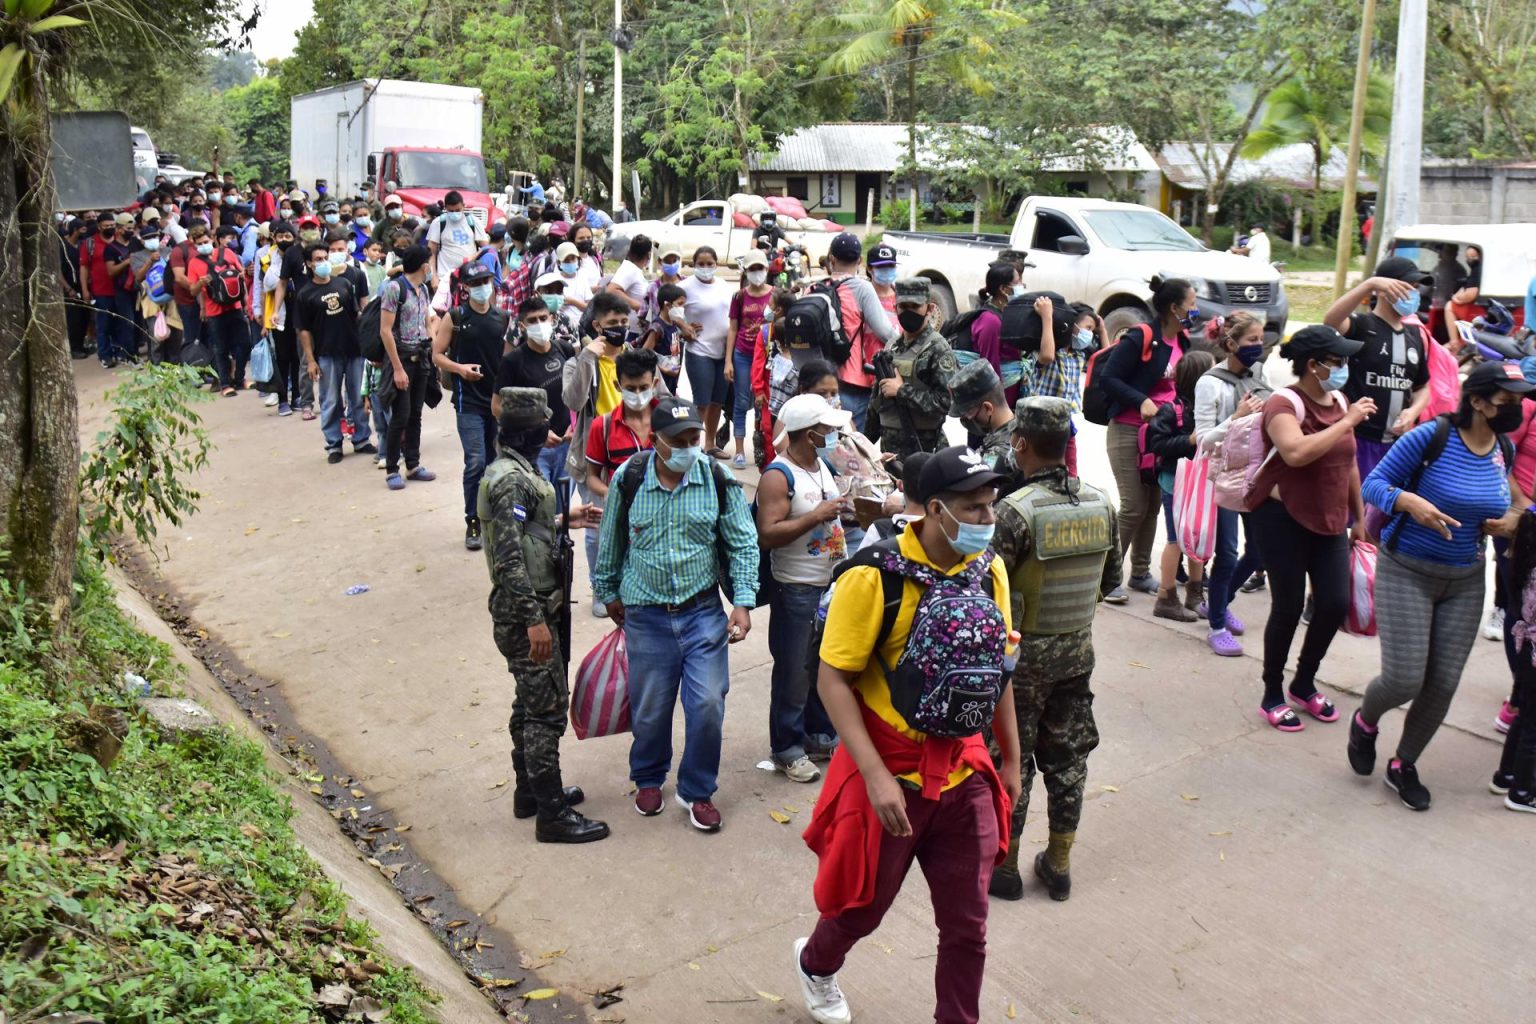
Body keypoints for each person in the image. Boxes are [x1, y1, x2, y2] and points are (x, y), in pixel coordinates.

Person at [797, 445, 1019, 1024]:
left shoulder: (986, 569)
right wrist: (874, 777)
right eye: (974, 509)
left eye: (991, 507)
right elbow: (832, 679)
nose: (986, 521)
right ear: (937, 510)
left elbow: (999, 669)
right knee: (860, 909)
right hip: (892, 772)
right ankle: (816, 965)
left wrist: (1012, 759)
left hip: (965, 774)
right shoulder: (874, 578)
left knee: (968, 926)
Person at [1349, 360, 1528, 809]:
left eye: (1521, 399)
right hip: (1406, 569)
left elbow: (1510, 504)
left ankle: (1403, 764)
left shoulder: (1502, 449)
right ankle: (1366, 720)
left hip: (1465, 578)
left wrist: (1508, 522)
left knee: (1443, 682)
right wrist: (1409, 502)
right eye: (1508, 400)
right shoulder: (1431, 436)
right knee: (1404, 677)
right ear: (1478, 401)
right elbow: (1374, 484)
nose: (1518, 407)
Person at [591, 398, 759, 833]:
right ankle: (648, 776)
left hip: (702, 612)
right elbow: (610, 540)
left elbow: (743, 543)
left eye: (695, 439)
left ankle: (696, 789)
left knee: (707, 703)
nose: (689, 448)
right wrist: (607, 591)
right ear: (656, 442)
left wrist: (742, 601)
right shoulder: (629, 479)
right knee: (650, 708)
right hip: (645, 615)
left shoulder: (717, 478)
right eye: (679, 441)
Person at [988, 397, 1119, 902]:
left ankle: (1005, 867)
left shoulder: (1013, 514)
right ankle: (1059, 862)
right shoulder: (1101, 503)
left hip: (1019, 663)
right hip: (1076, 654)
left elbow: (987, 588)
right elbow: (1111, 580)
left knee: (1011, 760)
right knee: (1069, 760)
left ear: (1019, 443)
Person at [480, 386, 609, 843]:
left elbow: (517, 530)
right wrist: (535, 620)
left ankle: (530, 792)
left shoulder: (514, 470)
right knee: (545, 712)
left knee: (528, 703)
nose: (550, 432)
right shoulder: (510, 479)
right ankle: (551, 814)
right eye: (544, 425)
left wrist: (561, 522)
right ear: (531, 430)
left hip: (533, 607)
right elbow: (508, 558)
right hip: (527, 612)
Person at [1249, 325, 1374, 732]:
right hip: (1282, 521)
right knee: (1286, 607)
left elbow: (1349, 462)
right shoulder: (1283, 404)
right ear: (1313, 365)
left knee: (1334, 602)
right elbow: (1296, 452)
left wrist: (1360, 518)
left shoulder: (1339, 399)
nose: (1343, 367)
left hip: (1331, 521)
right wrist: (1348, 421)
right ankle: (1272, 692)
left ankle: (1303, 682)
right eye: (1336, 361)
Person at [756, 394, 851, 783]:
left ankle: (817, 735)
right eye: (826, 429)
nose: (832, 434)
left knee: (819, 667)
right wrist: (816, 515)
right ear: (809, 434)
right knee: (793, 672)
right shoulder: (779, 476)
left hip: (827, 584)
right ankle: (787, 749)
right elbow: (767, 534)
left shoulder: (821, 465)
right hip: (795, 589)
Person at [1098, 276, 1195, 602]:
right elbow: (1109, 377)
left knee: (1152, 505)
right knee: (1133, 506)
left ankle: (1139, 572)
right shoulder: (1142, 336)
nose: (1194, 310)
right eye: (1191, 305)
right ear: (1173, 308)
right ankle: (1107, 579)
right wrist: (1140, 400)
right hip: (1127, 429)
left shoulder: (1182, 339)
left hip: (1161, 435)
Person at [1192, 312, 1271, 656]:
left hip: (1255, 474)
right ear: (1230, 344)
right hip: (1223, 477)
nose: (1260, 345)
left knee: (1258, 549)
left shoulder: (1260, 375)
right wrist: (1236, 418)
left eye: (1261, 338)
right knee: (1227, 552)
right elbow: (1203, 440)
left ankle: (1219, 602)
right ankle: (1217, 627)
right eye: (1252, 340)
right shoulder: (1210, 382)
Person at [1323, 257, 1434, 479]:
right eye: (1407, 286)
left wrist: (1412, 412)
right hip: (1358, 439)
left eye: (1416, 288)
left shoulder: (1415, 336)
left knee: (1384, 510)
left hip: (1396, 445)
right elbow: (1331, 321)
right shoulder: (1363, 326)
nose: (1413, 293)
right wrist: (1369, 284)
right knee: (1355, 510)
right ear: (1384, 289)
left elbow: (1422, 387)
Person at [431, 261, 509, 549]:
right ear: (464, 287)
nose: (481, 288)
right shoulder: (454, 317)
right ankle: (472, 520)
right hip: (468, 402)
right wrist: (460, 369)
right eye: (475, 283)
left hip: (497, 401)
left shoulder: (502, 317)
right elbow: (437, 355)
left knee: (496, 462)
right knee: (475, 462)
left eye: (485, 281)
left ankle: (494, 518)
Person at [1144, 350, 1215, 621]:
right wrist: (1189, 441)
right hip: (1175, 483)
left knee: (1198, 537)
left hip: (1201, 484)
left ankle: (1195, 594)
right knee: (1176, 540)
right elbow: (1158, 445)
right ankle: (1166, 595)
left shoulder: (1208, 409)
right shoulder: (1171, 410)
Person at [296, 239, 372, 463]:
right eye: (318, 260)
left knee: (359, 396)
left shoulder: (344, 285)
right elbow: (304, 331)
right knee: (330, 400)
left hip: (354, 349)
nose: (323, 263)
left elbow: (356, 315)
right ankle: (333, 444)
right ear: (309, 264)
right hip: (327, 353)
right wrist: (310, 360)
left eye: (325, 258)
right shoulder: (305, 294)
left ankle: (361, 439)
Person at [815, 233, 900, 431]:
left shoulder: (814, 287)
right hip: (851, 380)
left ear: (832, 259)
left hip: (817, 377)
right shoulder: (861, 288)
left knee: (821, 437)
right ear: (861, 261)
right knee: (850, 442)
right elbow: (885, 331)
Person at [870, 277, 959, 464]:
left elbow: (947, 403)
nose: (908, 312)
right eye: (903, 306)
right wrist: (865, 444)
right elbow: (876, 401)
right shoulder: (892, 346)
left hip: (924, 449)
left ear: (930, 309)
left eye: (915, 306)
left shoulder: (937, 348)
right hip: (890, 451)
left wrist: (902, 391)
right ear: (895, 308)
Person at [497, 297, 576, 493]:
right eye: (532, 320)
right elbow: (497, 407)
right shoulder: (513, 361)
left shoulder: (564, 349)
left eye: (543, 318)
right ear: (522, 326)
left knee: (563, 513)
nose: (539, 324)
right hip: (534, 450)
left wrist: (575, 426)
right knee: (542, 508)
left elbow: (577, 396)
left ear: (552, 319)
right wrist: (537, 431)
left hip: (567, 446)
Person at [377, 245, 438, 489]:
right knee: (400, 416)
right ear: (424, 265)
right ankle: (393, 468)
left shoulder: (422, 289)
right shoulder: (394, 289)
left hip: (420, 358)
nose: (431, 267)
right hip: (401, 359)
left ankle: (413, 464)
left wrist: (433, 352)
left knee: (415, 414)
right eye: (429, 263)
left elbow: (426, 322)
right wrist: (397, 368)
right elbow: (385, 330)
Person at [1494, 509, 1536, 813]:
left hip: (1527, 646)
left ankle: (1506, 775)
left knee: (1524, 715)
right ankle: (1522, 792)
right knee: (1533, 724)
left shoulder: (1525, 556)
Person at [1030, 302, 1100, 478]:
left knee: (1071, 472)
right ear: (1072, 325)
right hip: (1040, 420)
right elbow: (1046, 356)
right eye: (1088, 328)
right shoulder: (1052, 350)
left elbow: (1106, 359)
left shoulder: (1078, 355)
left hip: (1064, 421)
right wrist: (1048, 317)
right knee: (1042, 471)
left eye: (1093, 331)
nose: (1089, 335)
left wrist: (1103, 329)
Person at [583, 347, 661, 497]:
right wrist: (611, 495)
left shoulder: (669, 420)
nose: (637, 394)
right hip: (623, 515)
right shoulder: (602, 426)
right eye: (630, 388)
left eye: (643, 387)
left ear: (654, 383)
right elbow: (592, 476)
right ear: (618, 386)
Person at [726, 250, 774, 468]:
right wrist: (728, 361)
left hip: (766, 356)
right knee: (741, 401)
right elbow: (733, 329)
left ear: (766, 269)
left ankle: (761, 448)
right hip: (743, 354)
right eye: (752, 269)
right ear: (746, 271)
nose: (757, 273)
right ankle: (739, 451)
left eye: (760, 268)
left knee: (762, 401)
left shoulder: (775, 295)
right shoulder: (739, 297)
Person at [187, 225, 248, 395]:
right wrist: (201, 282)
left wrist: (245, 296)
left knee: (244, 344)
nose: (203, 245)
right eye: (199, 243)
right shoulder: (194, 263)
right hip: (214, 311)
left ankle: (239, 379)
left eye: (206, 241)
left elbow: (240, 272)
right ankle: (225, 384)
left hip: (234, 306)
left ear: (212, 240)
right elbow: (192, 290)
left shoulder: (227, 254)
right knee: (220, 349)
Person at [80, 212, 135, 368]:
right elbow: (84, 268)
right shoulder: (89, 244)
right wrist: (85, 289)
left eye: (112, 225)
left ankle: (119, 352)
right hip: (100, 290)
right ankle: (105, 355)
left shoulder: (120, 243)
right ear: (99, 227)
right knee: (103, 324)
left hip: (120, 290)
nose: (110, 228)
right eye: (106, 226)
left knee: (120, 323)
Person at [968, 262, 1024, 406]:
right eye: (1018, 282)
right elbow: (989, 366)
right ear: (1004, 289)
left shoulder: (1004, 313)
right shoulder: (990, 322)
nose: (1022, 286)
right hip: (997, 403)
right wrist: (998, 406)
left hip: (1009, 396)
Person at [948, 360, 1015, 468]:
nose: (965, 419)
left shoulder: (1000, 452)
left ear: (988, 408)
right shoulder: (1016, 425)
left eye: (969, 413)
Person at [605, 233, 652, 337]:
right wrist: (637, 305)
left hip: (638, 330)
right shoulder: (630, 269)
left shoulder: (635, 270)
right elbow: (611, 290)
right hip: (631, 332)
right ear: (648, 255)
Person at [58, 217, 92, 359]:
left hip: (83, 286)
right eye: (82, 229)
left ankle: (81, 346)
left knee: (85, 317)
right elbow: (58, 271)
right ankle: (74, 348)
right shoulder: (63, 248)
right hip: (71, 288)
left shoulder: (82, 246)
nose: (85, 232)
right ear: (74, 230)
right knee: (74, 319)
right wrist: (68, 289)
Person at [427, 190, 476, 284]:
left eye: (458, 210)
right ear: (445, 208)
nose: (454, 213)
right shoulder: (438, 223)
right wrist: (433, 276)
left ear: (463, 205)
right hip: (445, 278)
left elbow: (486, 248)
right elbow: (431, 252)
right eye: (451, 211)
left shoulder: (473, 222)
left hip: (470, 277)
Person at [866, 243, 900, 330]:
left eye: (891, 265)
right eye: (881, 266)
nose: (887, 269)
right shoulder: (862, 296)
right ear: (869, 269)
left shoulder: (902, 296)